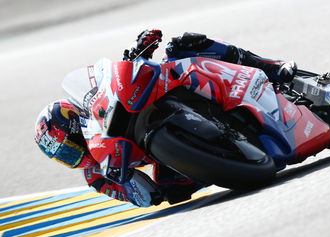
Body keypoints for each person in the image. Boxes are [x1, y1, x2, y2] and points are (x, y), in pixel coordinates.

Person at [34, 29, 297, 207]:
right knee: (172, 190)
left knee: (182, 45)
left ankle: (270, 67)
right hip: (170, 153)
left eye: (70, 147)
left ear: (74, 123)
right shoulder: (96, 176)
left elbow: (114, 81)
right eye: (66, 157)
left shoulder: (95, 105)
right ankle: (228, 153)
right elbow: (146, 198)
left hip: (163, 95)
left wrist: (134, 55)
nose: (76, 156)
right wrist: (123, 179)